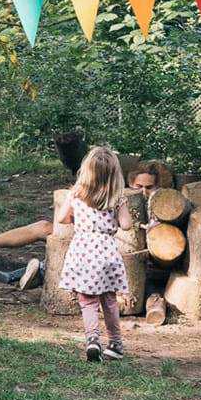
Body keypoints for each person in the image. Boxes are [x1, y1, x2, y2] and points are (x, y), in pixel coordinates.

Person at [55, 146, 129, 361]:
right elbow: (126, 225)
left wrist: (76, 219)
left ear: (86, 171)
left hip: (83, 252)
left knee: (87, 301)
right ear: (115, 174)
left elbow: (61, 218)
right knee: (110, 300)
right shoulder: (118, 198)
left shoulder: (76, 194)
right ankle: (115, 343)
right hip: (107, 253)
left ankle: (93, 340)